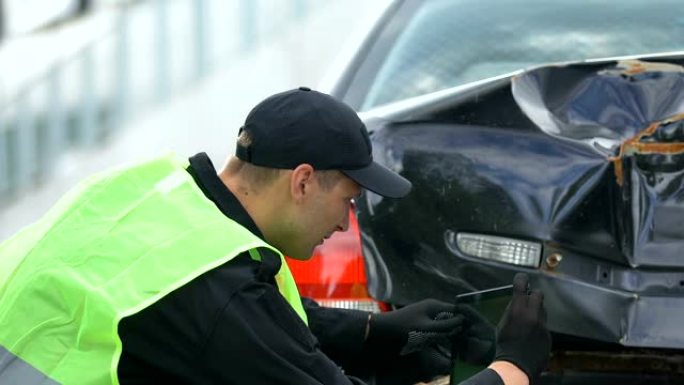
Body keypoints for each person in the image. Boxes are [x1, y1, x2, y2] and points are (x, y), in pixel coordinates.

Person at [0, 87, 550, 385]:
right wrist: (510, 371)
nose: (344, 224)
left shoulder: (152, 190)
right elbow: (229, 317)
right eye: (348, 202)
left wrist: (373, 333)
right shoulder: (221, 294)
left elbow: (198, 308)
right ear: (304, 181)